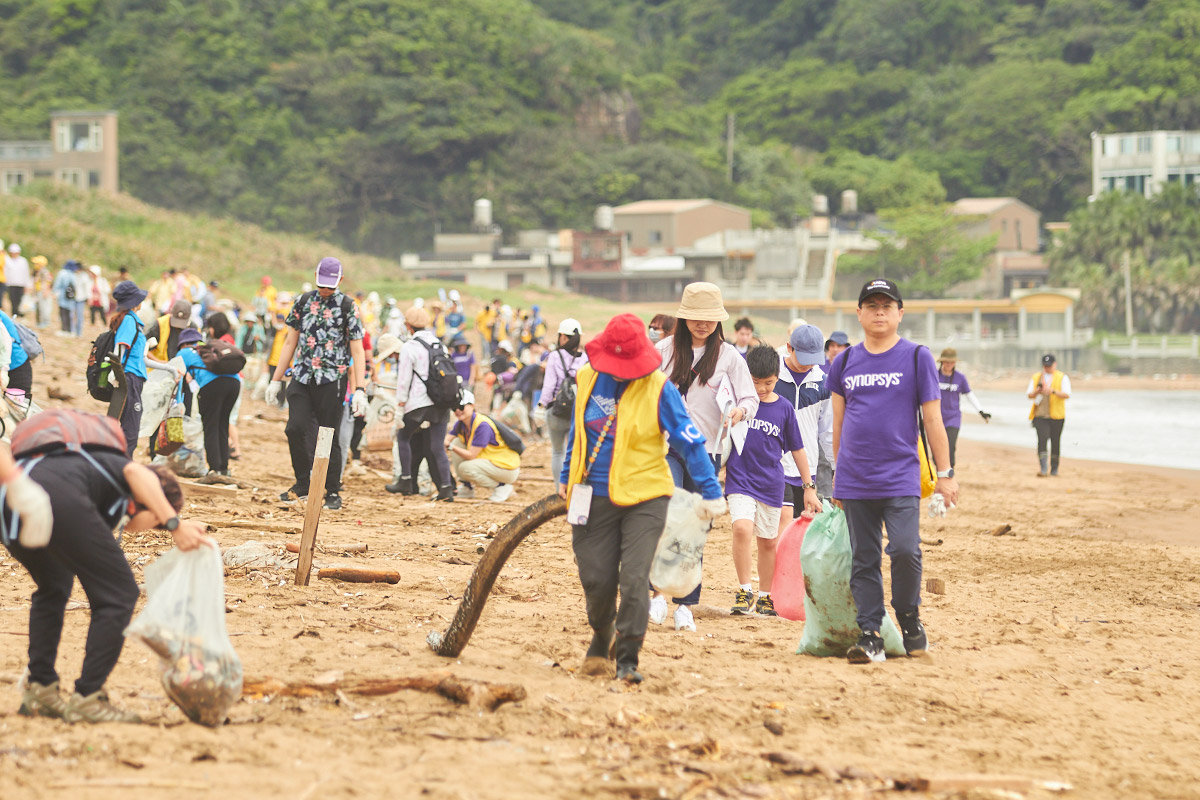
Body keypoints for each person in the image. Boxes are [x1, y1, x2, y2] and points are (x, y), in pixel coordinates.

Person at [2, 421, 211, 723]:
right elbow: (138, 472)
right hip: (54, 497)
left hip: (11, 503)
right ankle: (89, 697)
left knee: (54, 586)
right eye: (155, 521)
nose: (153, 529)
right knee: (120, 593)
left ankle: (41, 689)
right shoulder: (122, 470)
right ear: (149, 501)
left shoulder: (95, 486)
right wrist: (174, 524)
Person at [557, 313, 724, 683]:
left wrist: (711, 492)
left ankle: (628, 658)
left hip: (646, 497)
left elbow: (689, 441)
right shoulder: (586, 379)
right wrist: (566, 476)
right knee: (596, 579)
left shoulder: (659, 388)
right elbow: (576, 433)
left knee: (634, 579)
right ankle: (602, 636)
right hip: (593, 496)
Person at [826, 279, 958, 664]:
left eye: (887, 305)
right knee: (863, 558)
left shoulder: (916, 357)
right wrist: (837, 476)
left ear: (900, 312)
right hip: (855, 478)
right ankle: (870, 634)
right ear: (859, 314)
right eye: (871, 305)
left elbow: (933, 419)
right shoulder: (845, 361)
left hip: (901, 475)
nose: (879, 311)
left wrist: (946, 473)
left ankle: (908, 616)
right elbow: (838, 423)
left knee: (904, 549)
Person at [652, 282, 756, 632]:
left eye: (709, 319)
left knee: (694, 526)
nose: (702, 325)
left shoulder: (729, 357)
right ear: (683, 317)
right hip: (665, 448)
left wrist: (740, 412)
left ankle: (685, 605)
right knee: (664, 518)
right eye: (696, 318)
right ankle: (655, 597)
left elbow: (750, 399)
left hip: (707, 452)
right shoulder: (663, 350)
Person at [266, 258, 367, 511]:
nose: (325, 290)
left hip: (332, 379)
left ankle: (331, 489)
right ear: (315, 277)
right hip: (302, 375)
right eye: (322, 285)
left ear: (340, 282)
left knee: (328, 435)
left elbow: (358, 350)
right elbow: (290, 342)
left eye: (330, 286)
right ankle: (303, 481)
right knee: (294, 428)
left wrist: (360, 390)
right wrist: (275, 379)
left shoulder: (347, 307)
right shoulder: (303, 302)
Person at [726, 345, 821, 616]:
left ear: (777, 378)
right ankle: (745, 590)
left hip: (771, 483)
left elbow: (798, 449)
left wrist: (808, 486)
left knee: (768, 542)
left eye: (768, 383)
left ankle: (765, 596)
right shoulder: (737, 404)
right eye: (755, 383)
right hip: (740, 479)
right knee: (742, 528)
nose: (761, 389)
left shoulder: (784, 408)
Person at [387, 306, 454, 502]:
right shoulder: (440, 345)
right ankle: (446, 488)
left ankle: (406, 480)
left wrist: (400, 407)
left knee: (403, 437)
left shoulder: (409, 346)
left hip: (418, 402)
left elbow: (404, 380)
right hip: (441, 401)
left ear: (408, 326)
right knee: (437, 446)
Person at [774, 324, 833, 531]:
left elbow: (828, 432)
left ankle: (792, 565)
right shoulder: (772, 377)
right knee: (783, 519)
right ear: (789, 348)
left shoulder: (823, 383)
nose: (808, 366)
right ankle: (779, 565)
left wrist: (836, 468)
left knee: (801, 528)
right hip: (776, 464)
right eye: (803, 359)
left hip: (807, 468)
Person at [175, 328, 240, 476]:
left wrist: (178, 403)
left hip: (212, 386)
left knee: (210, 426)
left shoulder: (184, 353)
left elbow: (176, 378)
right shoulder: (208, 351)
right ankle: (224, 468)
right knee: (222, 424)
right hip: (234, 384)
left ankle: (214, 469)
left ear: (182, 344)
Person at [533, 319, 586, 482]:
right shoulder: (585, 357)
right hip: (577, 412)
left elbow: (549, 385)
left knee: (557, 452)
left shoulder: (554, 356)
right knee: (576, 453)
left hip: (556, 410)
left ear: (563, 336)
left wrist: (541, 406)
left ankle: (559, 490)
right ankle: (574, 487)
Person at [446, 390, 520, 502]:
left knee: (465, 468)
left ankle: (501, 487)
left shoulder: (482, 425)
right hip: (490, 461)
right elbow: (446, 440)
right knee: (457, 442)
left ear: (472, 406)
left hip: (505, 466)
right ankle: (467, 487)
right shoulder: (462, 423)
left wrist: (451, 447)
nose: (457, 411)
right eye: (454, 408)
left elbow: (471, 455)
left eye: (461, 407)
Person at [937, 348, 991, 469]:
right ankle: (939, 471)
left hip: (953, 417)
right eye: (946, 361)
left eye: (951, 362)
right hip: (937, 418)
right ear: (941, 362)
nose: (949, 364)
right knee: (937, 447)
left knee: (950, 446)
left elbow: (969, 395)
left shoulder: (960, 378)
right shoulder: (934, 376)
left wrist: (981, 411)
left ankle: (949, 473)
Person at [1027, 353, 1070, 477]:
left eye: (1049, 366)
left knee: (1055, 442)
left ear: (1055, 364)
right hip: (1040, 415)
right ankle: (1044, 468)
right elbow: (1029, 395)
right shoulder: (1036, 377)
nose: (1047, 368)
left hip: (1057, 416)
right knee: (1042, 440)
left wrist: (1053, 391)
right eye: (1045, 366)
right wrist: (1037, 391)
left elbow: (1067, 394)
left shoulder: (1062, 377)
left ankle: (1054, 468)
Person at [0, 308, 34, 405]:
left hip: (16, 368)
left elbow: (5, 346)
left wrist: (3, 370)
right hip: (7, 368)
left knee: (18, 410)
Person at [148, 299, 192, 364]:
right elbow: (145, 348)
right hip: (159, 367)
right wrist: (158, 362)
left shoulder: (193, 328)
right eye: (176, 321)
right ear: (171, 312)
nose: (178, 326)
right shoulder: (160, 324)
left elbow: (199, 348)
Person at [52, 260, 80, 336]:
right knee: (70, 314)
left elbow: (58, 284)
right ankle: (71, 330)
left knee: (63, 313)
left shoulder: (62, 273)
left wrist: (54, 292)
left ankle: (64, 329)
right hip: (71, 297)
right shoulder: (73, 274)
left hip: (63, 296)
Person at [5, 243, 30, 317]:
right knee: (12, 299)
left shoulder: (23, 261)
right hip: (11, 284)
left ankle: (19, 313)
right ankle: (14, 313)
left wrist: (27, 285)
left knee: (20, 299)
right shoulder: (8, 261)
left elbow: (26, 273)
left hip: (20, 284)